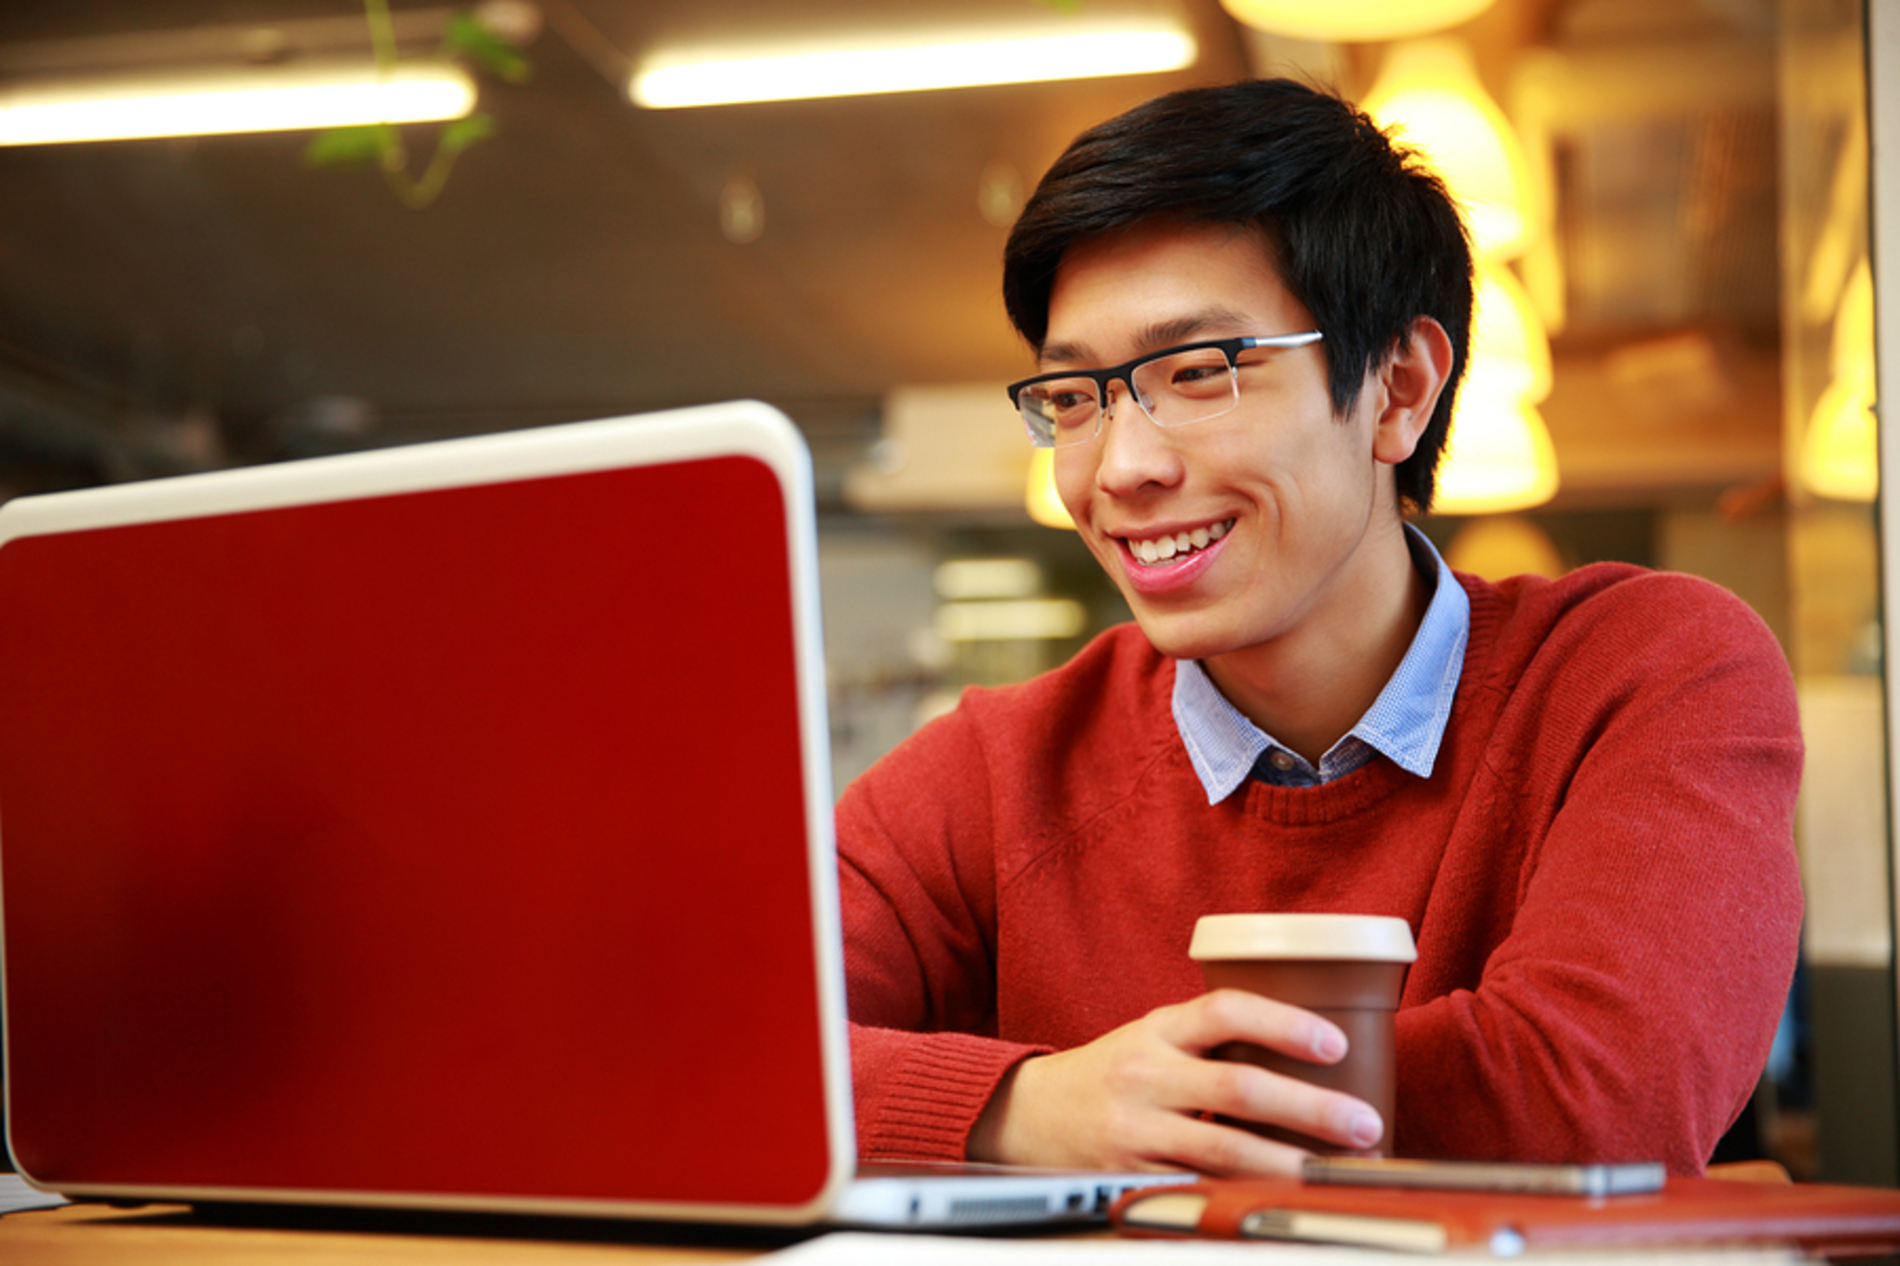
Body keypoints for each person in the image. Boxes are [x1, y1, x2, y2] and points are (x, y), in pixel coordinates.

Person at [835, 78, 1802, 1179]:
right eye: (1073, 399)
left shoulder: (1643, 672)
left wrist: (1162, 1111)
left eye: (1199, 375)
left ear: (1397, 389)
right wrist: (1027, 1104)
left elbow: (1595, 1101)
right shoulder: (999, 769)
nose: (1120, 467)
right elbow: (687, 1046)